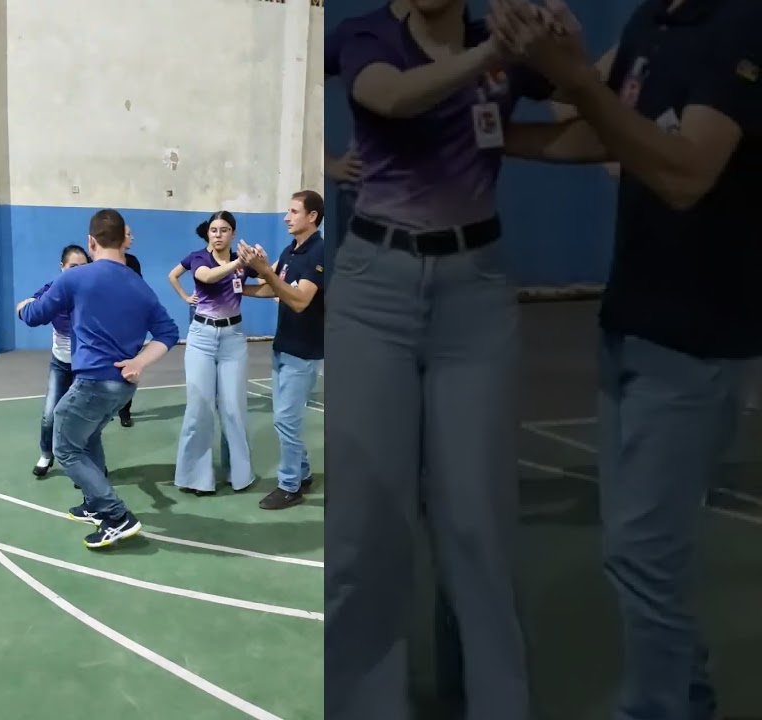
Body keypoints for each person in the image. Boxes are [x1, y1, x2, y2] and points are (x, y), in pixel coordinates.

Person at [491, 0, 762, 717]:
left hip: (697, 338)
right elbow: (599, 136)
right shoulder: (654, 20)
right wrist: (491, 135)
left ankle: (660, 707)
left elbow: (684, 173)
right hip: (630, 324)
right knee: (640, 556)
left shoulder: (743, 27)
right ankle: (688, 696)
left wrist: (575, 79)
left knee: (642, 556)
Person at [325, 0, 565, 716]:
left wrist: (566, 50)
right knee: (366, 530)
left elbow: (587, 93)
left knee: (479, 526)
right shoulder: (369, 34)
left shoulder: (502, 41)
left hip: (476, 293)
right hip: (375, 291)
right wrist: (496, 52)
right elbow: (392, 97)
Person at [17, 209, 180, 548]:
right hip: (123, 385)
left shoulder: (75, 278)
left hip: (93, 382)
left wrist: (22, 305)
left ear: (91, 242)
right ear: (124, 240)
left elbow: (34, 316)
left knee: (65, 445)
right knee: (89, 437)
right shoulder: (141, 286)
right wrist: (139, 362)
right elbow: (169, 332)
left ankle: (116, 515)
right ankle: (94, 504)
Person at [238, 190, 325, 511]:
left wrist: (266, 270)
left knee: (286, 421)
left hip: (304, 350)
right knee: (285, 419)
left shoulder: (319, 252)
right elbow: (272, 286)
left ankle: (289, 485)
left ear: (312, 216)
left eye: (293, 211)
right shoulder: (292, 250)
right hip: (283, 346)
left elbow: (300, 300)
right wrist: (239, 288)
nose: (287, 217)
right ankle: (301, 473)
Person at [173, 212, 255, 496]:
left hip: (233, 339)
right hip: (201, 338)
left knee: (234, 408)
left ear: (233, 234)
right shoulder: (200, 258)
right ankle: (195, 477)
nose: (218, 234)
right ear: (208, 234)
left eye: (224, 230)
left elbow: (266, 276)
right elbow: (205, 277)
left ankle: (239, 474)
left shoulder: (243, 262)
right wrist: (238, 263)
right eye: (213, 230)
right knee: (199, 409)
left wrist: (268, 265)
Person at [29, 245, 91, 477]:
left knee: (85, 418)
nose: (78, 271)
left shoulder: (93, 293)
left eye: (83, 267)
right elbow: (34, 305)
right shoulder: (53, 290)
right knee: (50, 413)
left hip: (85, 367)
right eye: (73, 266)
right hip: (60, 364)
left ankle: (88, 462)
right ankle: (46, 455)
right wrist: (24, 306)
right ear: (62, 267)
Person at [117, 225, 143, 427]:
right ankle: (104, 409)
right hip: (105, 326)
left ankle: (125, 411)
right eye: (128, 235)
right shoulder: (96, 263)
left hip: (128, 326)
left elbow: (139, 289)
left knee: (129, 368)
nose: (132, 238)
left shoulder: (133, 262)